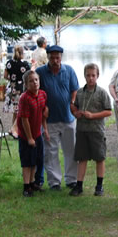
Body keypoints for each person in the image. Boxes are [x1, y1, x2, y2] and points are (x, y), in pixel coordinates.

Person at [36, 45, 79, 190]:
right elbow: (35, 93)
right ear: (47, 57)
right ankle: (54, 182)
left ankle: (71, 179)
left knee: (71, 150)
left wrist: (72, 102)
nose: (55, 60)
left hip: (68, 118)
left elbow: (74, 90)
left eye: (57, 57)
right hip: (49, 120)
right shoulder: (40, 72)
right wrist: (43, 107)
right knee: (51, 151)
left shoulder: (69, 71)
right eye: (52, 57)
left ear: (61, 57)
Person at [69, 64, 112, 196]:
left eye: (93, 75)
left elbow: (108, 111)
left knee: (99, 158)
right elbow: (75, 107)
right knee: (82, 158)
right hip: (82, 129)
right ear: (84, 76)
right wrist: (75, 113)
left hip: (96, 130)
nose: (91, 78)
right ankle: (79, 185)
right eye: (88, 75)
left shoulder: (102, 93)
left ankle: (99, 186)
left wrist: (93, 116)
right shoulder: (80, 92)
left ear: (97, 76)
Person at [17, 71, 48, 196]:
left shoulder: (42, 95)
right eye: (31, 81)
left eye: (36, 80)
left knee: (36, 160)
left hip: (37, 133)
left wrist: (45, 129)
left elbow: (43, 114)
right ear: (26, 84)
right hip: (26, 135)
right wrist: (29, 138)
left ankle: (32, 183)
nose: (34, 83)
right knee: (27, 162)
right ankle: (26, 187)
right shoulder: (24, 98)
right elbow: (24, 120)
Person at [3, 44, 31, 137]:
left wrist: (12, 80)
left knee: (15, 111)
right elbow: (29, 76)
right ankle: (15, 129)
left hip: (12, 87)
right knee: (20, 110)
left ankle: (13, 128)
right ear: (23, 52)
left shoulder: (9, 63)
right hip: (21, 88)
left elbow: (5, 76)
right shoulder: (25, 64)